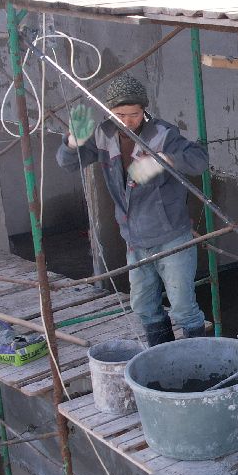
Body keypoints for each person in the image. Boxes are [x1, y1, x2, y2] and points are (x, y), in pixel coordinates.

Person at [57, 75, 210, 346]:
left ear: (144, 110)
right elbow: (68, 164)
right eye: (119, 114)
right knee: (143, 306)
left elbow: (199, 160)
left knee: (184, 308)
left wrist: (166, 159)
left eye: (135, 114)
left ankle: (195, 362)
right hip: (134, 239)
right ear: (108, 111)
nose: (127, 121)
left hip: (171, 237)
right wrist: (73, 143)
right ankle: (161, 357)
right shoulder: (104, 135)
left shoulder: (163, 134)